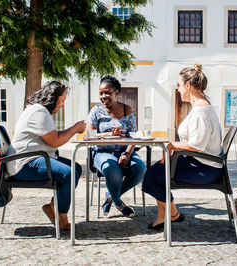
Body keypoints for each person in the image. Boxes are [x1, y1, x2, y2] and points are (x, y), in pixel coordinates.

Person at [142, 64, 223, 230]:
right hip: (201, 163)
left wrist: (172, 145)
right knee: (157, 170)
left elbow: (196, 145)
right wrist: (172, 147)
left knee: (152, 175)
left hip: (205, 169)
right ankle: (168, 214)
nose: (178, 89)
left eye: (179, 85)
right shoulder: (200, 108)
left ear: (188, 86)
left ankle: (171, 214)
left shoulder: (201, 112)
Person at [6, 81, 86, 231]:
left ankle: (54, 207)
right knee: (69, 174)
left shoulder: (40, 111)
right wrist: (75, 128)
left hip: (34, 157)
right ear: (52, 98)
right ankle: (61, 216)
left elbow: (53, 137)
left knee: (76, 168)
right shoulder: (39, 112)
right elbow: (55, 141)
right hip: (24, 163)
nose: (62, 105)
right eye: (62, 100)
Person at [86, 75, 146, 217]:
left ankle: (110, 197)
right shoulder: (96, 111)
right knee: (112, 169)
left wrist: (127, 153)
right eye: (101, 93)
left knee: (140, 169)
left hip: (123, 150)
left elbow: (134, 136)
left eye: (107, 92)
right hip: (102, 152)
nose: (103, 96)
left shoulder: (127, 110)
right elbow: (88, 135)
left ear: (117, 92)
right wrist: (109, 135)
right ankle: (119, 203)